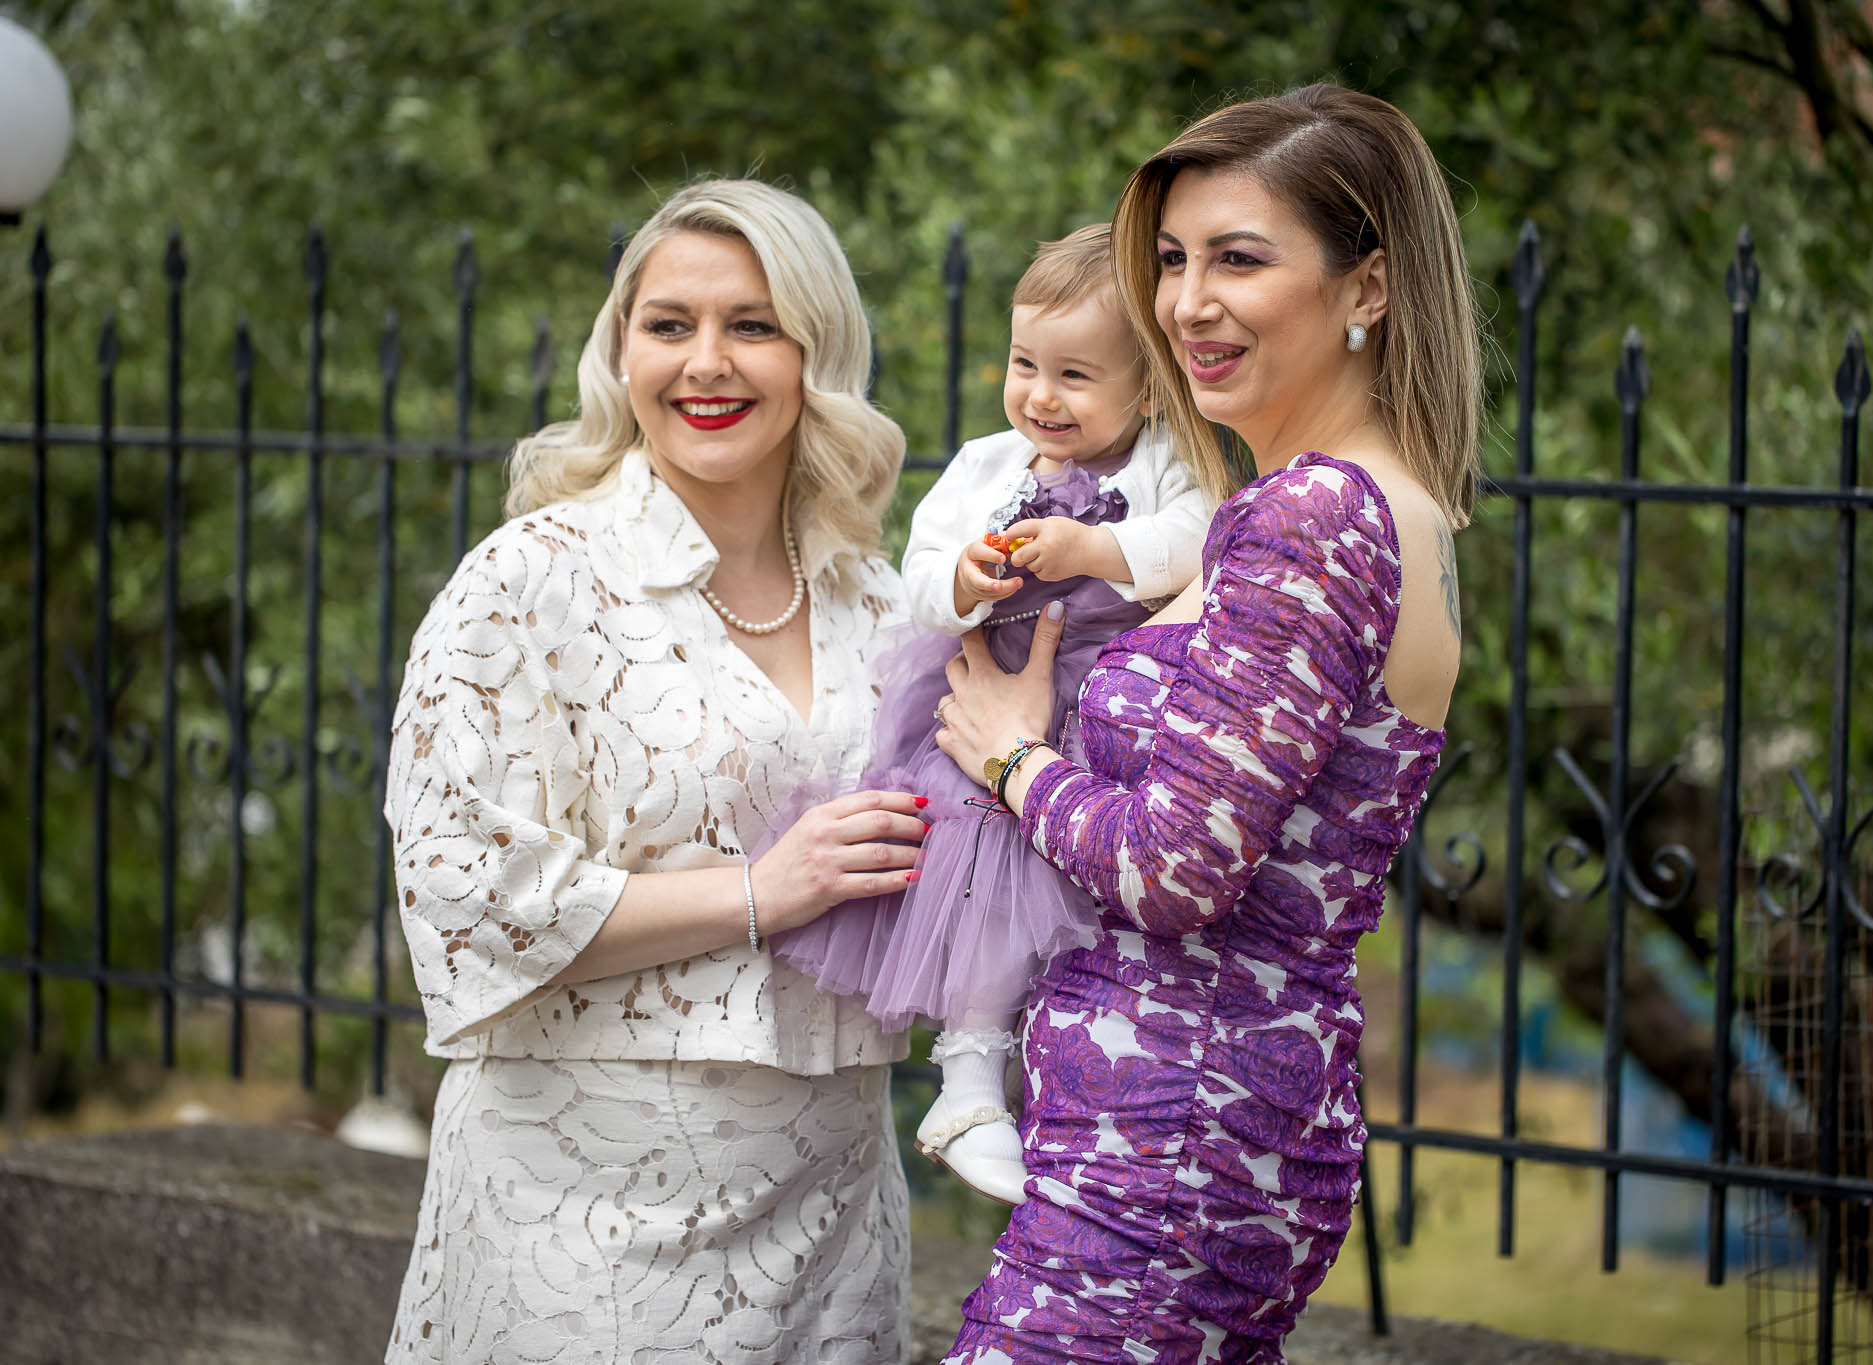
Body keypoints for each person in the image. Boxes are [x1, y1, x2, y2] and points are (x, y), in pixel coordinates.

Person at [928, 84, 1481, 1361]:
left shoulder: (1316, 517)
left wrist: (1012, 757)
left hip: (1167, 1138)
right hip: (1188, 1123)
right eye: (1172, 261)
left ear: (1367, 285)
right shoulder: (1354, 505)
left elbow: (1173, 870)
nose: (1184, 302)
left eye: (1238, 259)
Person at [383, 179, 926, 1364]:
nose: (706, 363)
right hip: (583, 1220)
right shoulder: (528, 581)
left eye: (752, 325)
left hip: (836, 1215)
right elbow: (465, 894)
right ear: (620, 350)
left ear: (816, 352)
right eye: (669, 325)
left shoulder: (876, 598)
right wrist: (761, 893)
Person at [772, 222, 1210, 1206]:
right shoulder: (985, 466)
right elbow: (919, 576)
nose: (1041, 396)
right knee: (987, 871)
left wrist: (1093, 550)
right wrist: (966, 580)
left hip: (1098, 712)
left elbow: (1196, 541)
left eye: (1074, 376)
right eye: (1024, 365)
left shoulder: (1164, 463)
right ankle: (967, 1081)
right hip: (986, 700)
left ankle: (1050, 1082)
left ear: (1148, 388)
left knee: (1086, 914)